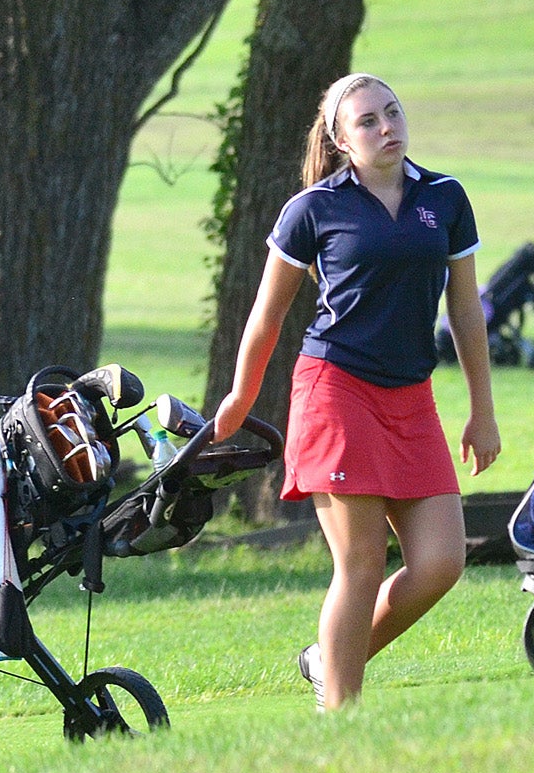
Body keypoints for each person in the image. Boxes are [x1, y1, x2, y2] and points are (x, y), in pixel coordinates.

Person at [214, 73, 501, 708]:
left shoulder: (446, 199)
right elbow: (268, 317)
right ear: (342, 140)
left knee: (440, 563)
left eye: (393, 113)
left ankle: (327, 660)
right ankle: (340, 717)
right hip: (335, 390)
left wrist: (483, 411)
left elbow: (467, 313)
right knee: (363, 563)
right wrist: (241, 395)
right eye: (368, 121)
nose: (387, 127)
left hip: (412, 396)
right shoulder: (313, 209)